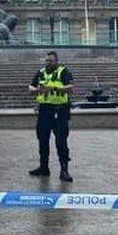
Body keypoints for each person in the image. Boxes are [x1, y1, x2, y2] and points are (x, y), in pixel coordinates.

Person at [28, 51, 74, 181]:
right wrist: (38, 90)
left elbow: (70, 87)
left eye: (50, 61)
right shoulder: (41, 72)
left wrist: (55, 88)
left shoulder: (63, 71)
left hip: (60, 111)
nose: (48, 63)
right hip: (44, 110)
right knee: (42, 140)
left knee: (61, 141)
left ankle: (64, 170)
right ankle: (44, 167)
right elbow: (30, 88)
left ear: (56, 61)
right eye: (46, 61)